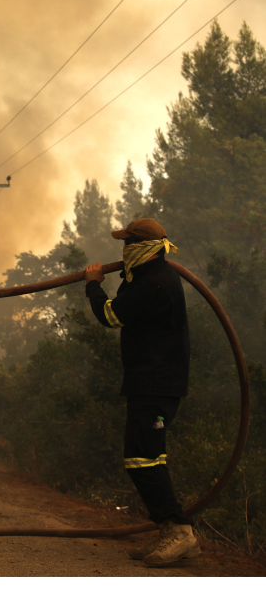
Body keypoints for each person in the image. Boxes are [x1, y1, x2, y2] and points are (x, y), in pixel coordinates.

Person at [84, 218, 200, 566]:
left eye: (127, 244)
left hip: (155, 385)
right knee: (146, 456)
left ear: (140, 248)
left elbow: (110, 315)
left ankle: (179, 531)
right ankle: (173, 532)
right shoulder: (150, 277)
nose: (123, 251)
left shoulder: (155, 283)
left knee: (142, 457)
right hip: (151, 383)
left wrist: (93, 285)